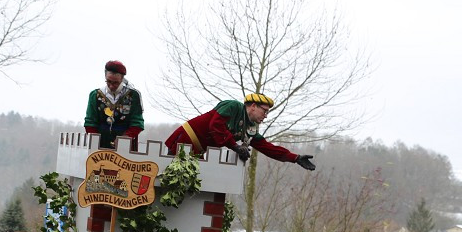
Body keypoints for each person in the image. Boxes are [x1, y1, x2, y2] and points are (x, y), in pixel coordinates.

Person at [165, 93, 316, 171]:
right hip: (185, 140)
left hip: (198, 151)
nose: (266, 115)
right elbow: (216, 127)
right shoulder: (232, 106)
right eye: (264, 111)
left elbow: (267, 147)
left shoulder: (249, 129)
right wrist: (235, 146)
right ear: (253, 106)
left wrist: (295, 158)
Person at [83, 60, 144, 150]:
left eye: (115, 83)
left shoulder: (133, 96)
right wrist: (95, 142)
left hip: (125, 146)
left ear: (122, 79)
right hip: (100, 144)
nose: (111, 86)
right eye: (108, 81)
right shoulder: (95, 95)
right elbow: (90, 122)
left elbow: (137, 123)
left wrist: (125, 138)